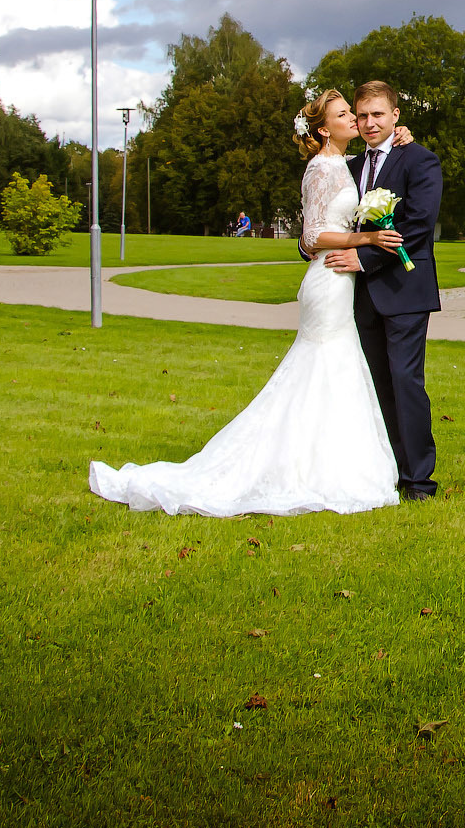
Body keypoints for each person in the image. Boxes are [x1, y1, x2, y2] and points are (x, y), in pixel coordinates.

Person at [86, 90, 403, 516]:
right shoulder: (321, 170)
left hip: (341, 280)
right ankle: (315, 469)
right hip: (327, 280)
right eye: (344, 114)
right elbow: (311, 238)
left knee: (332, 367)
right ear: (324, 129)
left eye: (354, 112)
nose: (354, 119)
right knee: (325, 362)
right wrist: (365, 238)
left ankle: (329, 461)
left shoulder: (345, 166)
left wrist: (400, 135)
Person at [319, 81, 443, 500]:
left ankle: (419, 481)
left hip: (405, 289)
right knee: (374, 384)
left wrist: (366, 258)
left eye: (378, 114)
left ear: (395, 116)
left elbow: (420, 226)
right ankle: (384, 470)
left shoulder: (420, 160)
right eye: (363, 115)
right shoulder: (348, 169)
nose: (370, 123)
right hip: (359, 295)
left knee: (405, 381)